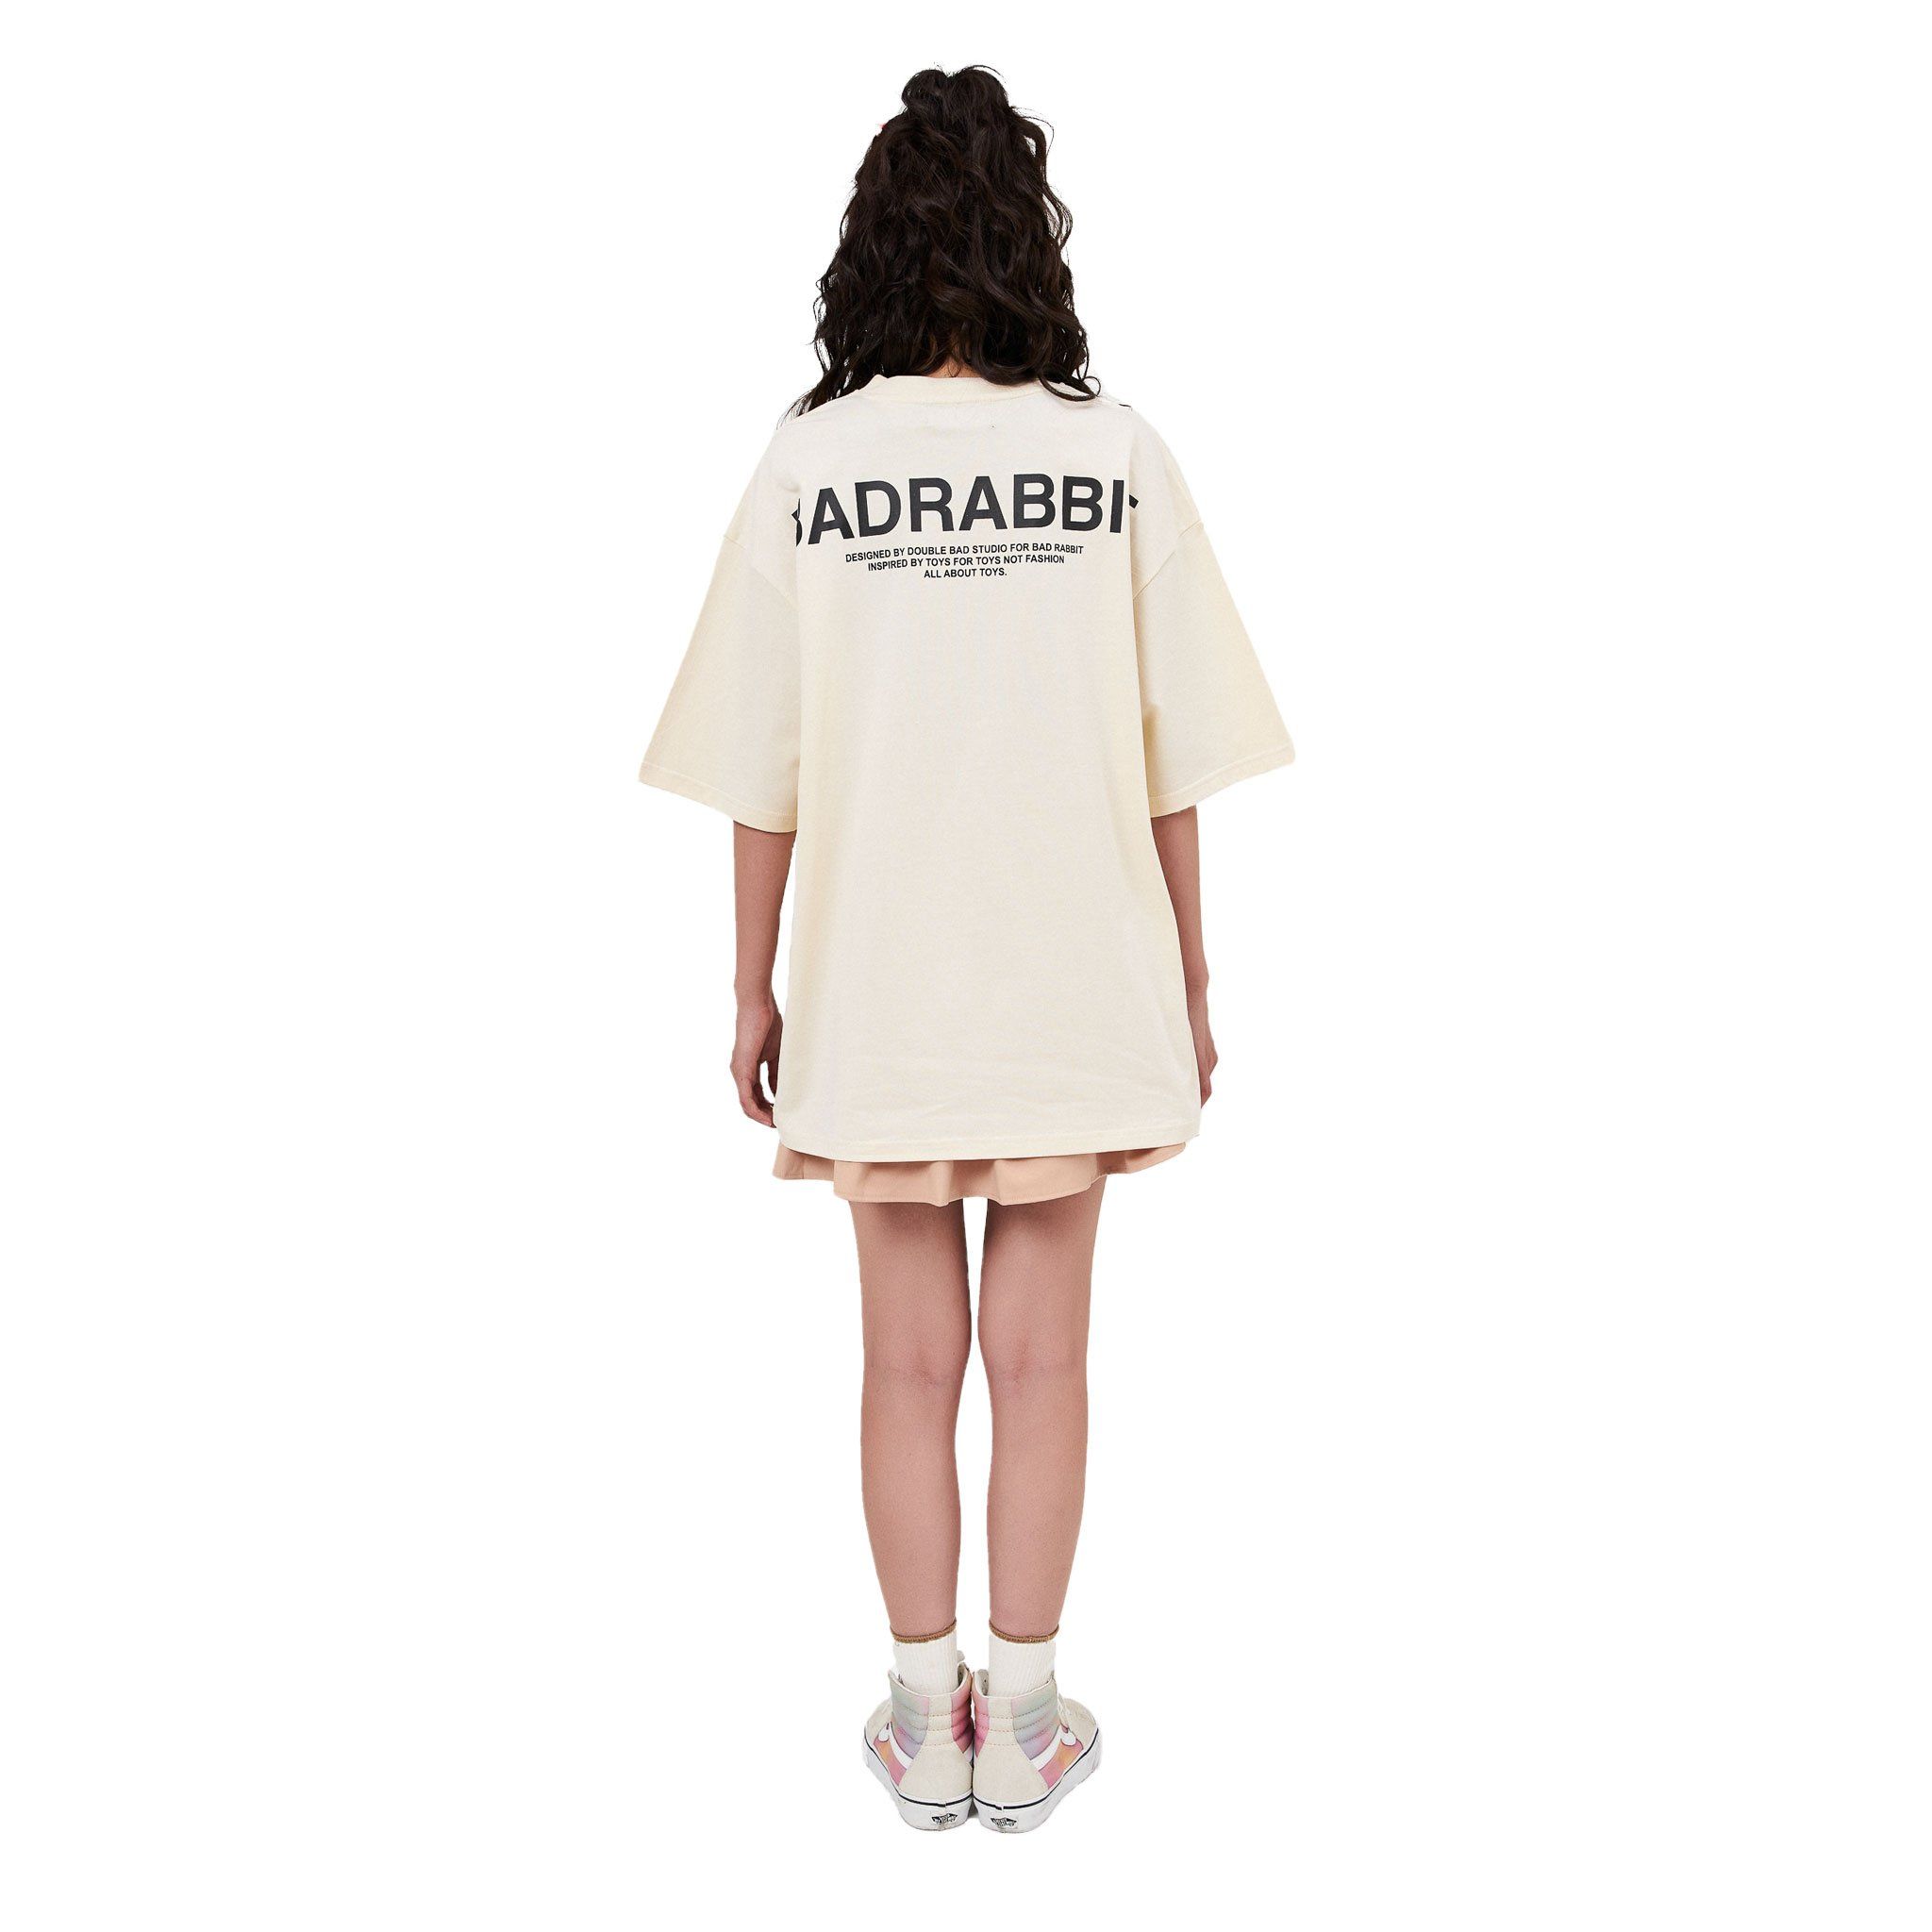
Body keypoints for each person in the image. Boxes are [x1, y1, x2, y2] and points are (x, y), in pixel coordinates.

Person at [639, 65, 1291, 1833]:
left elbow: (761, 768)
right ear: (1028, 242)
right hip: (1075, 982)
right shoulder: (1114, 455)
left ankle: (928, 1722)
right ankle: (1034, 1715)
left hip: (882, 991)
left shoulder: (810, 464)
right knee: (1046, 1366)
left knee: (906, 1366)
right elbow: (1173, 759)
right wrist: (1192, 979)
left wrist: (753, 986)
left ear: (873, 245)